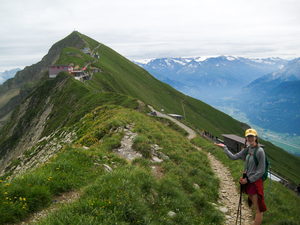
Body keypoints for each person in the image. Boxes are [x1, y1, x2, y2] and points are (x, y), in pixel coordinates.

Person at [214, 128, 267, 225]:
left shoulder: (260, 151)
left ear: (256, 137)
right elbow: (233, 157)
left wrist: (248, 180)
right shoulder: (247, 150)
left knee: (258, 210)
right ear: (246, 138)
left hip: (255, 183)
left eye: (252, 136)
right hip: (248, 182)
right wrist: (225, 148)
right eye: (248, 137)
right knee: (256, 207)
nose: (250, 138)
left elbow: (261, 171)